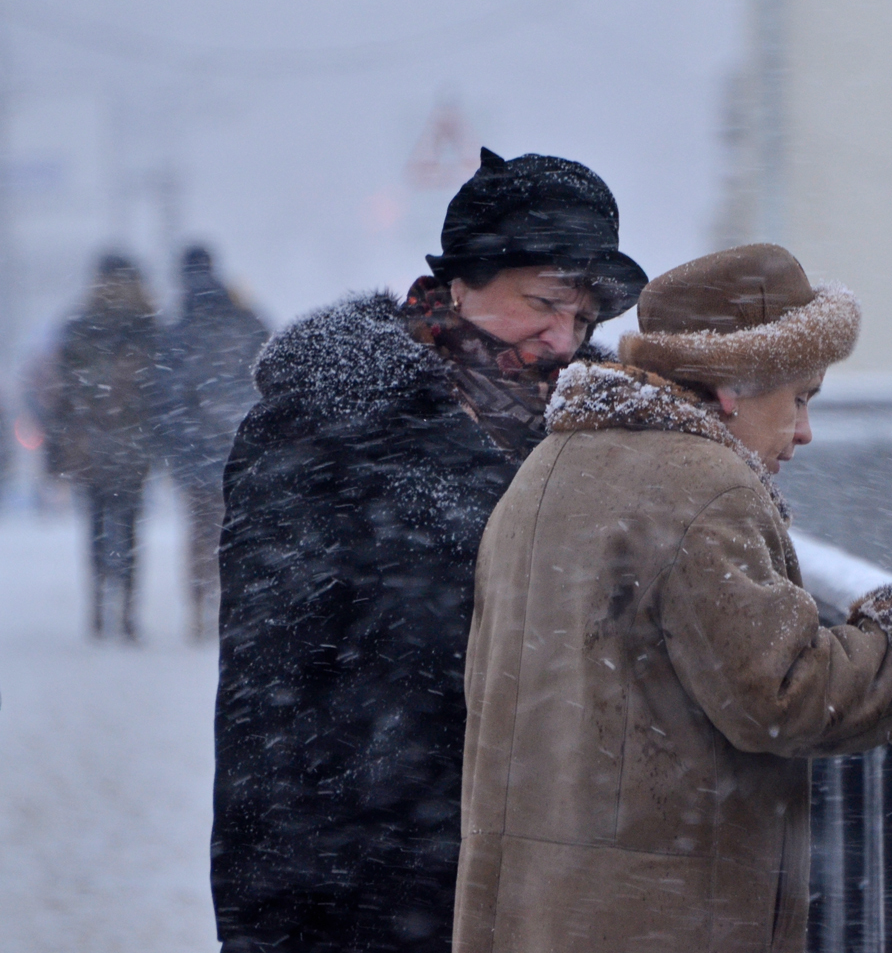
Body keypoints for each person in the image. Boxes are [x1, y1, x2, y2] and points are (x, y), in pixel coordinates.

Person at [452, 244, 892, 953]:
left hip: (536, 909)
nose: (805, 431)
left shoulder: (554, 463)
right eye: (798, 398)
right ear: (729, 385)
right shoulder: (701, 485)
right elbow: (783, 694)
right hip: (649, 919)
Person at [210, 147, 647, 953]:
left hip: (558, 869)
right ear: (459, 282)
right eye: (544, 303)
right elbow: (268, 692)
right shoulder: (325, 427)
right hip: (377, 870)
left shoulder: (601, 437)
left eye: (584, 320)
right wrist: (265, 912)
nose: (562, 339)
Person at [158, 245, 269, 641]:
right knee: (237, 527)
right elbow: (268, 372)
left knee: (199, 528)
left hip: (194, 447)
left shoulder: (179, 327)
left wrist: (172, 443)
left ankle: (199, 607)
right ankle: (235, 606)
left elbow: (166, 391)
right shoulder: (244, 318)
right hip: (240, 443)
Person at [47, 254, 160, 641]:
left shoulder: (80, 325)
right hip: (132, 442)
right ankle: (127, 611)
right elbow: (159, 392)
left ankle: (97, 606)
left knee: (96, 525)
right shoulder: (147, 325)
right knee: (128, 527)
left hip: (91, 440)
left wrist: (60, 443)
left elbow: (63, 391)